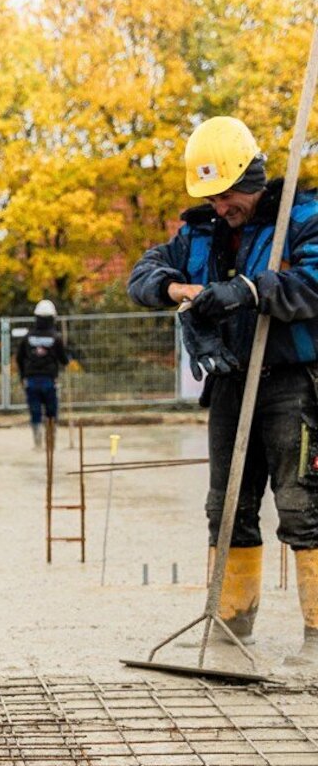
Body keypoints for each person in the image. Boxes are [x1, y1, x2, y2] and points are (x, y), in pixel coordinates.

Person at [128, 116, 318, 665]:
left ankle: (317, 636)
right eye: (210, 196)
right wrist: (177, 289)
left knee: (302, 504)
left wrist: (251, 290)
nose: (219, 205)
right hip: (231, 380)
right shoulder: (199, 233)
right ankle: (231, 625)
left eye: (227, 193)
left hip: (293, 383)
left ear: (250, 179)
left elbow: (315, 282)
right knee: (227, 506)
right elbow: (142, 275)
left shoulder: (301, 218)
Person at [15, 298, 69, 447]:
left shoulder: (28, 337)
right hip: (49, 380)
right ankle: (51, 441)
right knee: (51, 411)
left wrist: (23, 376)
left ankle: (38, 442)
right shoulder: (56, 337)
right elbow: (64, 360)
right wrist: (66, 355)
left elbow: (19, 358)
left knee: (35, 411)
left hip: (31, 381)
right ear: (53, 318)